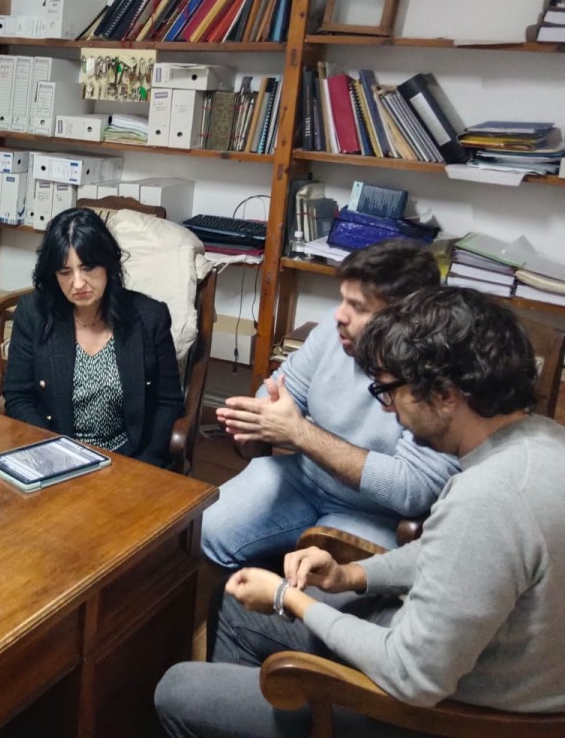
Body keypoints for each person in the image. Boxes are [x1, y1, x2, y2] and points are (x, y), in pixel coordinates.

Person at [155, 286, 565, 736]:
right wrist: (352, 575)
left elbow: (411, 675)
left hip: (448, 713)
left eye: (390, 392)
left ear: (446, 394)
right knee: (235, 606)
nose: (390, 412)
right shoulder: (543, 441)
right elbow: (450, 555)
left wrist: (288, 598)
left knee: (178, 690)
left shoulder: (487, 498)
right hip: (485, 666)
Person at [201, 239, 456, 566]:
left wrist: (299, 433)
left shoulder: (439, 374)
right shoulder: (333, 332)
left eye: (359, 307)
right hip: (302, 478)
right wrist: (257, 424)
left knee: (325, 590)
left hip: (373, 513)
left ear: (405, 320)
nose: (339, 315)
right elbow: (282, 390)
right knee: (202, 531)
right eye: (342, 299)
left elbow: (411, 489)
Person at [2, 207, 184, 468]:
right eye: (65, 272)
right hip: (54, 454)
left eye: (87, 268)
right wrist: (53, 454)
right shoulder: (34, 314)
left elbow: (168, 402)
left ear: (108, 264)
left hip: (128, 458)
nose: (78, 283)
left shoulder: (149, 317)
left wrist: (143, 467)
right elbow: (18, 396)